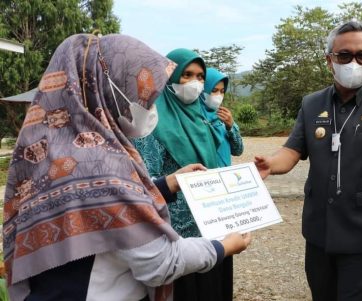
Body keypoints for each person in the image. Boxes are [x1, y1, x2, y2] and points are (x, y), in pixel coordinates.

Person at [2, 34, 251, 301]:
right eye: (143, 93)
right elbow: (160, 263)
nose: (151, 105)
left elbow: (105, 202)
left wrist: (166, 184)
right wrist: (223, 247)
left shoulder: (50, 145)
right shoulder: (102, 162)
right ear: (109, 88)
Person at [254, 21, 362, 301]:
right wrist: (270, 163)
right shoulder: (311, 104)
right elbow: (292, 151)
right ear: (330, 60)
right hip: (319, 227)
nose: (353, 61)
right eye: (344, 55)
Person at [133, 49, 232, 301]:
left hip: (213, 224)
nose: (195, 83)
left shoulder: (203, 120)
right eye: (186, 75)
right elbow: (146, 184)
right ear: (170, 76)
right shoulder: (152, 123)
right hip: (178, 237)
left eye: (200, 76)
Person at [201, 67, 243, 167]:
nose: (219, 95)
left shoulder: (223, 117)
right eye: (214, 90)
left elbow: (238, 151)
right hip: (204, 179)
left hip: (225, 178)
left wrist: (231, 127)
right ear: (201, 90)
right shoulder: (192, 118)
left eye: (222, 91)